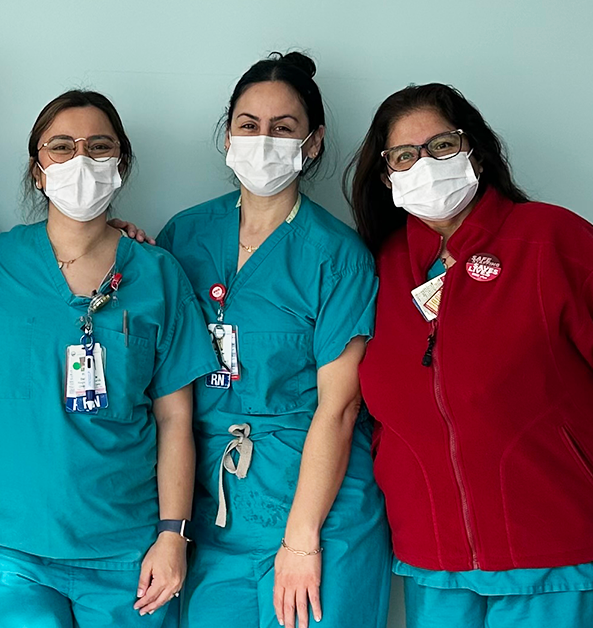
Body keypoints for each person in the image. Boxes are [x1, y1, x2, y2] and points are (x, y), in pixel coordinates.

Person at [348, 83, 593, 628]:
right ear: (386, 176)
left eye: (441, 145)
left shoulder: (552, 240)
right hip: (433, 564)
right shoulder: (380, 267)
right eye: (404, 156)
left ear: (477, 152)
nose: (425, 164)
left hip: (557, 557)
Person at [0, 89, 213, 628]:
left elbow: (175, 421)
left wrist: (174, 535)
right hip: (5, 545)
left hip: (128, 552)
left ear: (120, 164)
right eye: (61, 147)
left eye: (99, 147)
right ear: (37, 170)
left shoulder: (157, 274)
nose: (81, 160)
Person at [156, 53, 390, 628]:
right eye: (248, 125)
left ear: (312, 144)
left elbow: (339, 407)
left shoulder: (337, 256)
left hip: (319, 511)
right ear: (227, 134)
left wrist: (303, 540)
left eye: (283, 129)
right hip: (218, 513)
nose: (263, 141)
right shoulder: (184, 236)